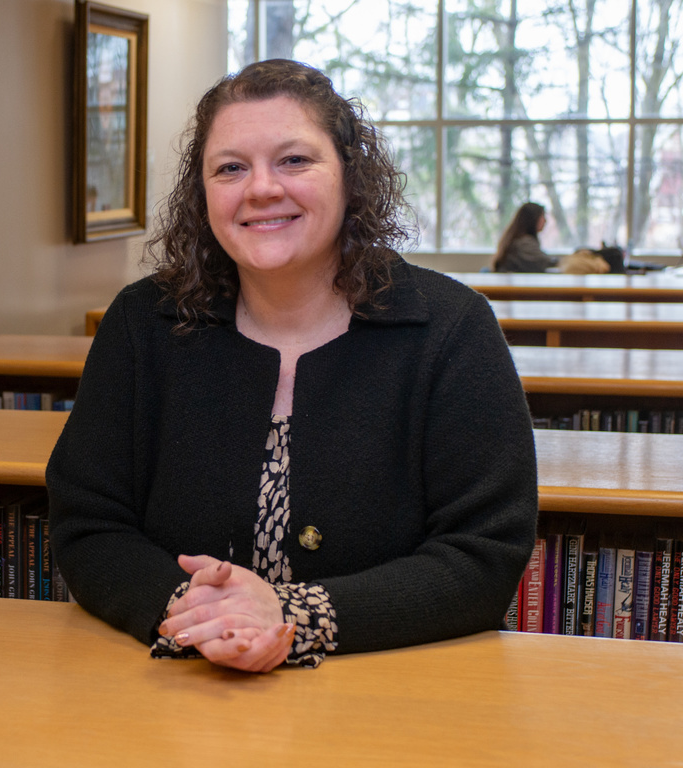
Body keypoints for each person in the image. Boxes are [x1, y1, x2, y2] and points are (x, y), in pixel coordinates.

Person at [47, 59, 538, 673]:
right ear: (203, 194)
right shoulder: (140, 323)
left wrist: (293, 615)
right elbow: (88, 523)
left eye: (295, 160)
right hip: (178, 686)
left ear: (350, 176)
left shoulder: (453, 328)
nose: (261, 189)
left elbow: (484, 555)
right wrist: (196, 617)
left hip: (391, 693)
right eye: (230, 168)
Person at [492, 202, 558, 272]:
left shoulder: (518, 239)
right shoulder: (524, 243)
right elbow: (544, 262)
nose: (545, 221)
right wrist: (566, 263)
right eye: (542, 217)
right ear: (533, 218)